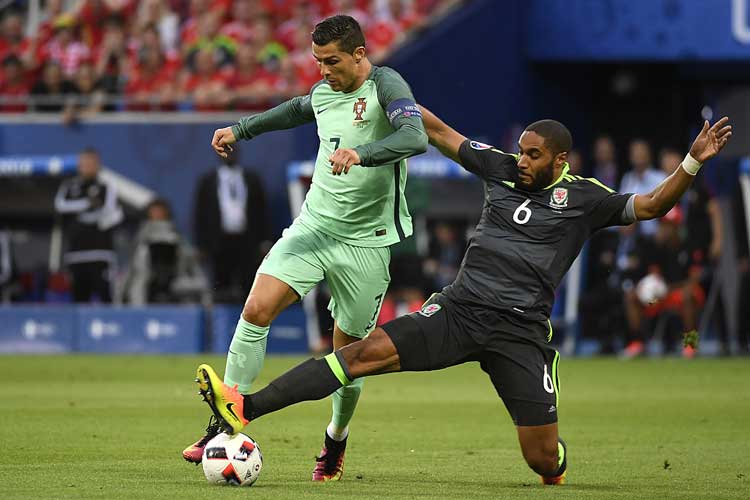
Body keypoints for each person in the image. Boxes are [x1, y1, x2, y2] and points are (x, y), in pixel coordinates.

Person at [193, 110, 731, 484]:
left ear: (560, 159)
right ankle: (245, 407)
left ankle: (555, 454)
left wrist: (692, 161)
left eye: (533, 154)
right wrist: (386, 90)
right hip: (458, 309)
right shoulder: (499, 168)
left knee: (543, 461)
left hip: (520, 331)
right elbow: (436, 130)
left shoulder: (587, 199)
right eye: (520, 150)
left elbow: (655, 205)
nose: (521, 160)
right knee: (360, 355)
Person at [182, 15, 428, 483]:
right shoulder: (322, 91)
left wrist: (362, 153)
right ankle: (224, 420)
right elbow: (297, 108)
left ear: (359, 53)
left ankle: (336, 438)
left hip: (366, 245)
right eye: (316, 61)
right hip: (312, 229)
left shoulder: (385, 84)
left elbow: (414, 137)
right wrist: (242, 129)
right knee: (256, 309)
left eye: (331, 61)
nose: (323, 70)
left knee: (349, 358)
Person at [193, 147, 271, 303]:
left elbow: (262, 211)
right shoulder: (208, 181)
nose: (230, 155)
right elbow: (200, 214)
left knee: (248, 284)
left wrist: (264, 240)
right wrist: (200, 244)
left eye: (233, 151)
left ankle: (247, 322)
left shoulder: (251, 179)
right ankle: (222, 323)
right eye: (226, 151)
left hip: (246, 241)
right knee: (221, 285)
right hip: (219, 241)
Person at [54, 147, 123, 303]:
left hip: (101, 253)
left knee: (106, 298)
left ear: (98, 164)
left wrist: (95, 211)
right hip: (76, 254)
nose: (88, 166)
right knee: (78, 299)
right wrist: (86, 204)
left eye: (92, 162)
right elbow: (60, 205)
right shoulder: (69, 185)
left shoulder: (107, 185)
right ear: (79, 164)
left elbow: (111, 212)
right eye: (84, 162)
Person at [123, 198, 207, 305]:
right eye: (154, 213)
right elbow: (132, 269)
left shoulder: (177, 237)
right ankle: (139, 315)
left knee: (189, 287)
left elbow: (194, 269)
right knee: (138, 282)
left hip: (176, 280)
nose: (157, 216)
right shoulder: (142, 239)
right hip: (146, 281)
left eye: (160, 212)